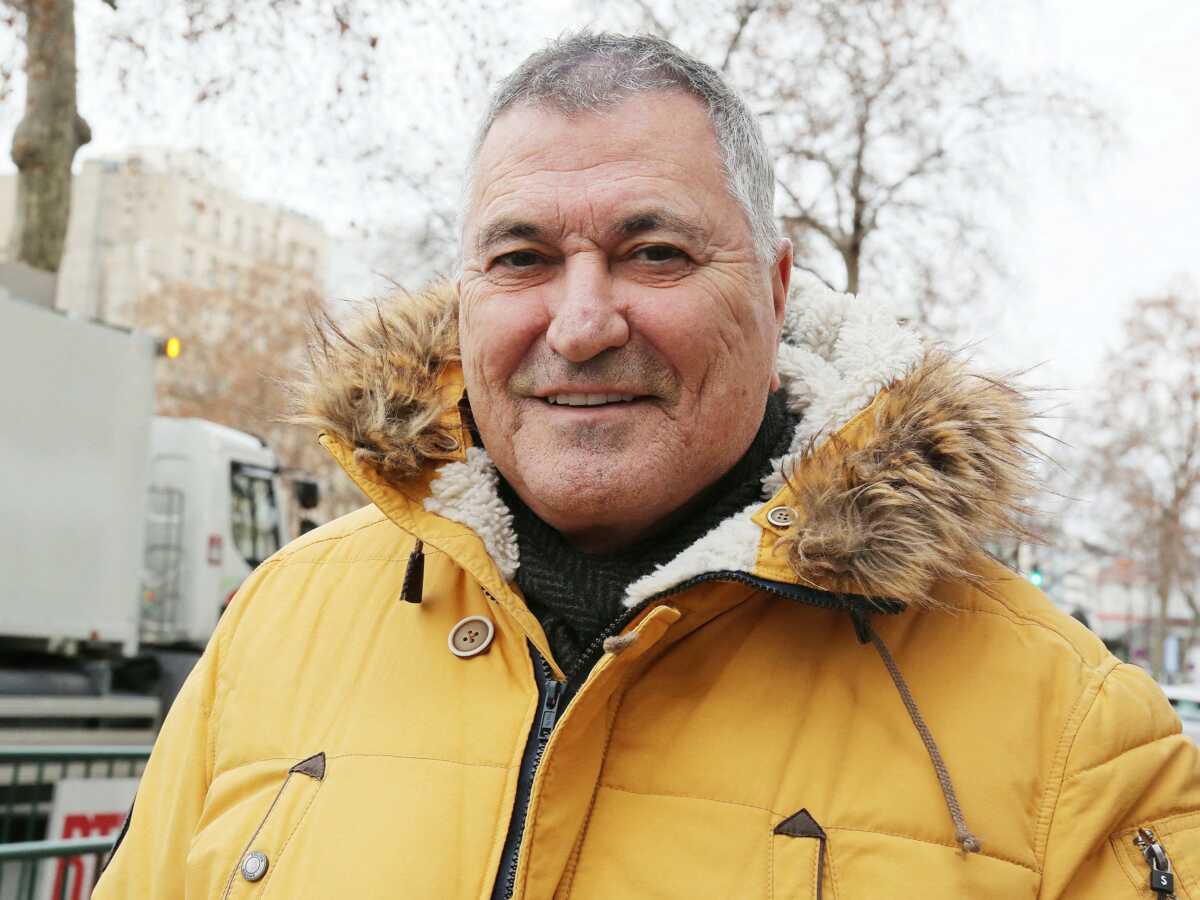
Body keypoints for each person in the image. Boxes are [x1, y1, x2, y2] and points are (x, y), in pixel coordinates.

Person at [95, 32, 1200, 899]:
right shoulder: (278, 625)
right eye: (523, 257)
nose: (579, 324)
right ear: (465, 297)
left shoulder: (1071, 735)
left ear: (772, 295)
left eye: (654, 251)